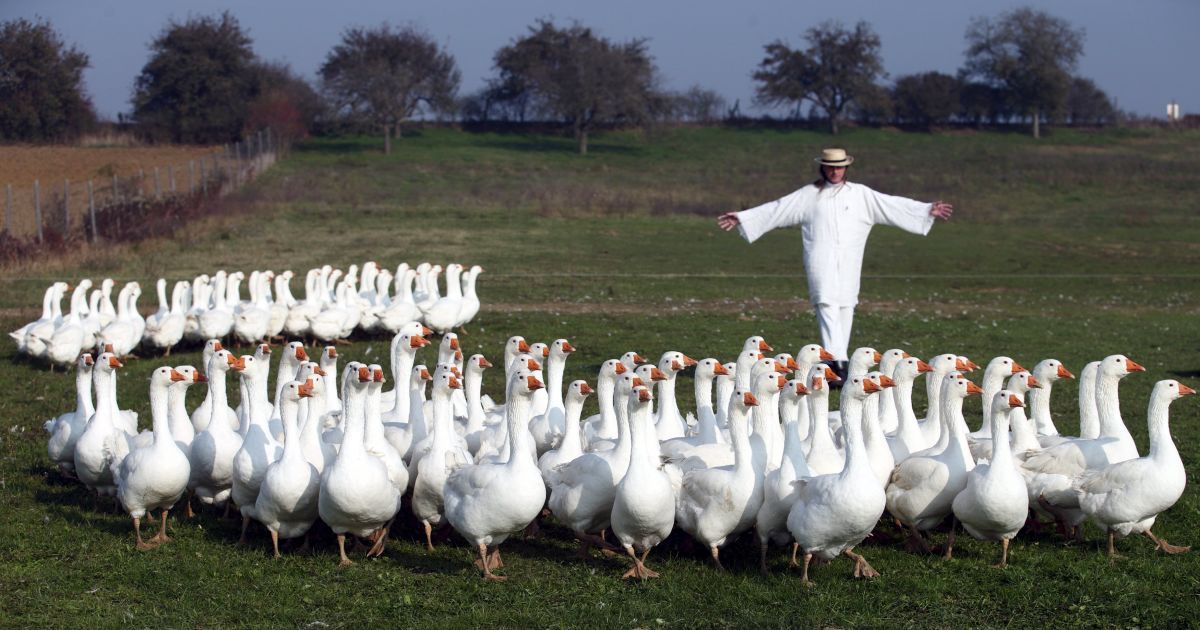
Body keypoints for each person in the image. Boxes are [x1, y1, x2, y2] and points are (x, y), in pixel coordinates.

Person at [718, 148, 953, 380]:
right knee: (825, 303)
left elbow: (892, 205)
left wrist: (926, 210)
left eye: (839, 167)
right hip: (820, 259)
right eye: (831, 167)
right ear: (824, 167)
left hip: (850, 260)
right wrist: (744, 217)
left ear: (846, 168)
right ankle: (837, 362)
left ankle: (840, 362)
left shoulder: (860, 194)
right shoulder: (809, 194)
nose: (835, 171)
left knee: (846, 305)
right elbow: (778, 208)